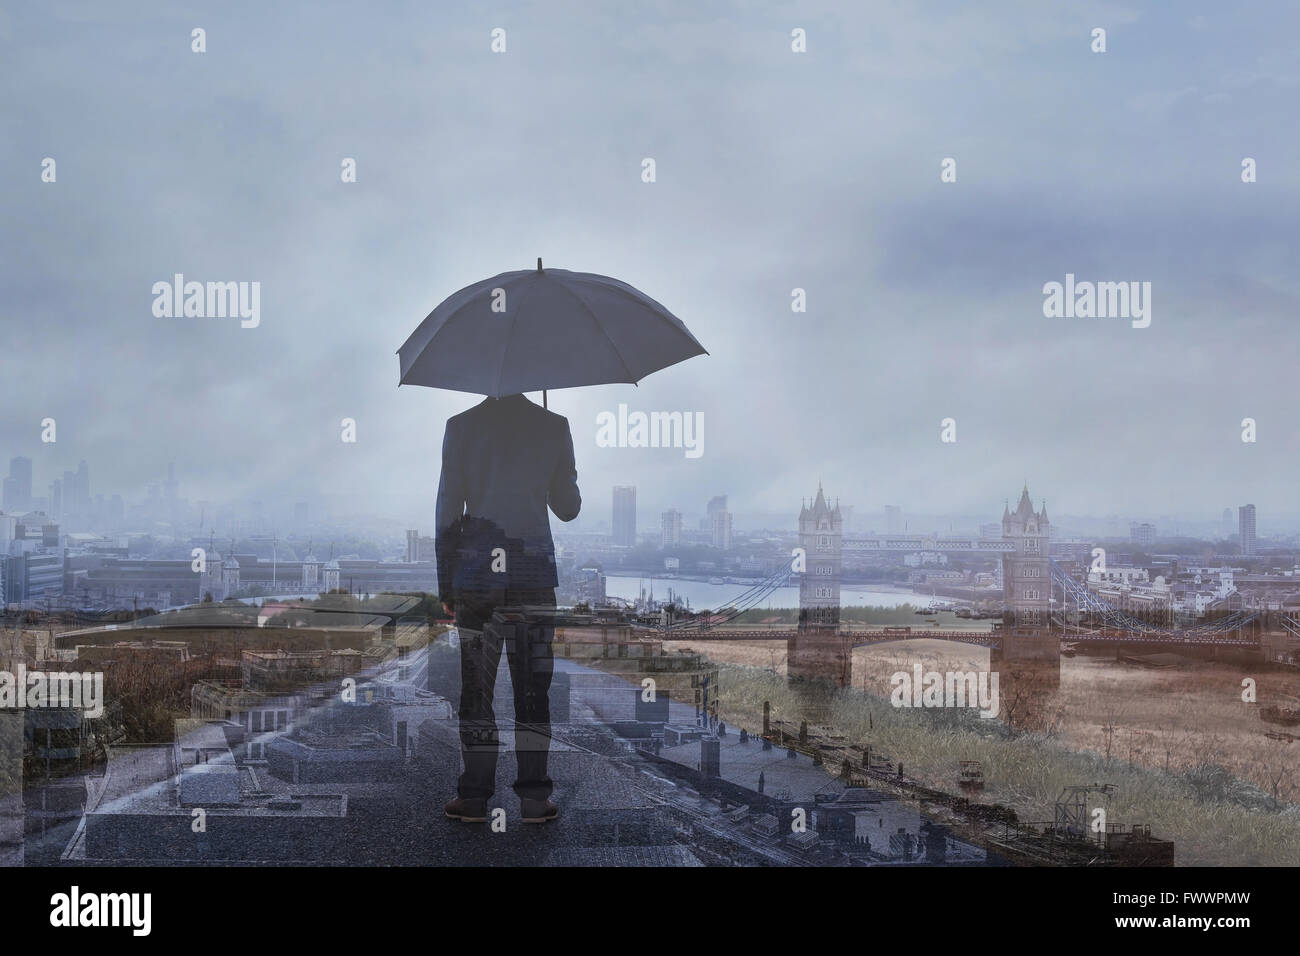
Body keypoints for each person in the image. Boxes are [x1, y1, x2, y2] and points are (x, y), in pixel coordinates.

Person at [435, 393, 581, 824]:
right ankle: (535, 800)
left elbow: (447, 512)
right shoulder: (554, 426)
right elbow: (568, 508)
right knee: (533, 692)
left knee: (476, 692)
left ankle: (475, 799)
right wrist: (563, 470)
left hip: (477, 582)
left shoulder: (460, 427)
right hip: (533, 579)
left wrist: (447, 583)